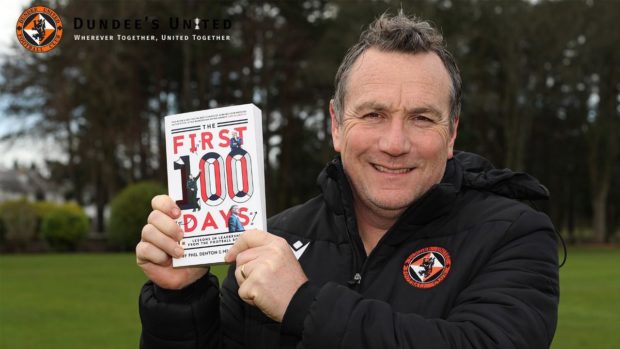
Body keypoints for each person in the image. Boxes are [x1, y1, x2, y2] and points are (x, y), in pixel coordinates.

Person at [136, 12, 559, 349]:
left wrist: (303, 304)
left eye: (422, 118)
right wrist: (181, 298)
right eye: (373, 114)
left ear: (451, 133)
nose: (395, 143)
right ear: (337, 125)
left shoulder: (514, 234)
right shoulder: (274, 239)